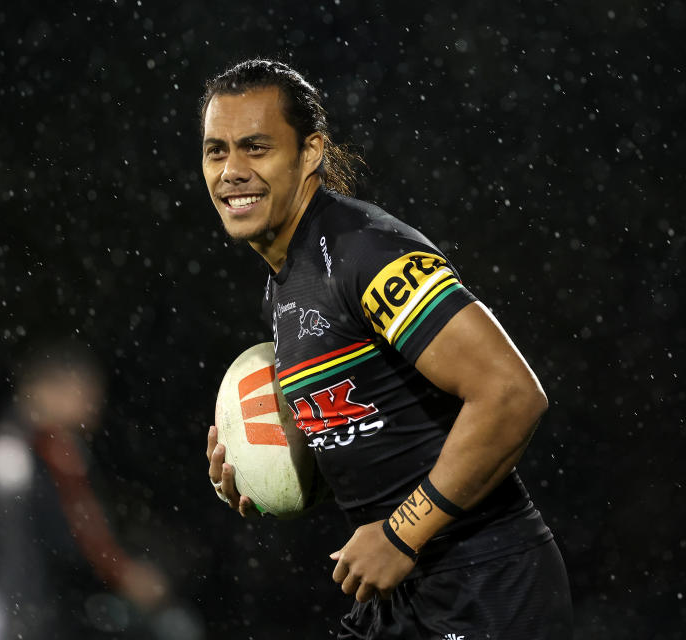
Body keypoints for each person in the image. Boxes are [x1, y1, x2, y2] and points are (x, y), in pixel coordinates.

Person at [201, 59, 573, 639]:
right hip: (402, 594)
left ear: (310, 153)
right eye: (217, 151)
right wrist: (270, 470)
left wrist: (402, 533)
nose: (232, 171)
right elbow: (384, 431)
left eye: (255, 147)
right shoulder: (285, 283)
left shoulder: (365, 253)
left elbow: (510, 394)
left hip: (486, 586)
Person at [0, 344, 200, 640]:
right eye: (83, 391)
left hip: (51, 611)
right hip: (43, 616)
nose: (94, 403)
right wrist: (124, 575)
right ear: (47, 390)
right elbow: (49, 545)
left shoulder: (52, 449)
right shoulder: (21, 454)